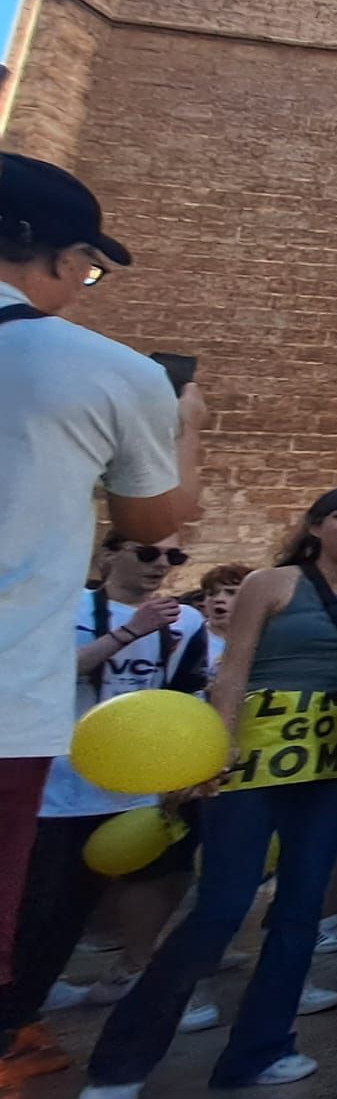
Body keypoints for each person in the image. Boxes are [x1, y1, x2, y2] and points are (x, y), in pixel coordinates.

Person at [77, 491, 337, 1099]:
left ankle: (261, 1047)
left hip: (332, 764)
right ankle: (123, 1059)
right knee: (221, 905)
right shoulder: (273, 584)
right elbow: (236, 666)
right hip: (253, 761)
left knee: (301, 907)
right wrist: (214, 751)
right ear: (314, 527)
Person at [0, 153, 204, 1036]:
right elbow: (155, 515)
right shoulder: (99, 366)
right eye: (86, 267)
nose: (82, 286)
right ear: (47, 253)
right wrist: (186, 423)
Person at [0, 532, 211, 1099]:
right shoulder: (66, 609)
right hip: (60, 784)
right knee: (38, 908)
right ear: (108, 554)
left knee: (115, 897)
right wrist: (128, 632)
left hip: (135, 791)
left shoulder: (187, 624)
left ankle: (40, 1007)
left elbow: (184, 698)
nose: (160, 566)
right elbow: (39, 677)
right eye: (147, 553)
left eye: (173, 557)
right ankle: (14, 1019)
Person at [196, 564, 252, 675]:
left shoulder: (267, 640)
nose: (218, 599)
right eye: (211, 594)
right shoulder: (193, 638)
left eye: (231, 592)